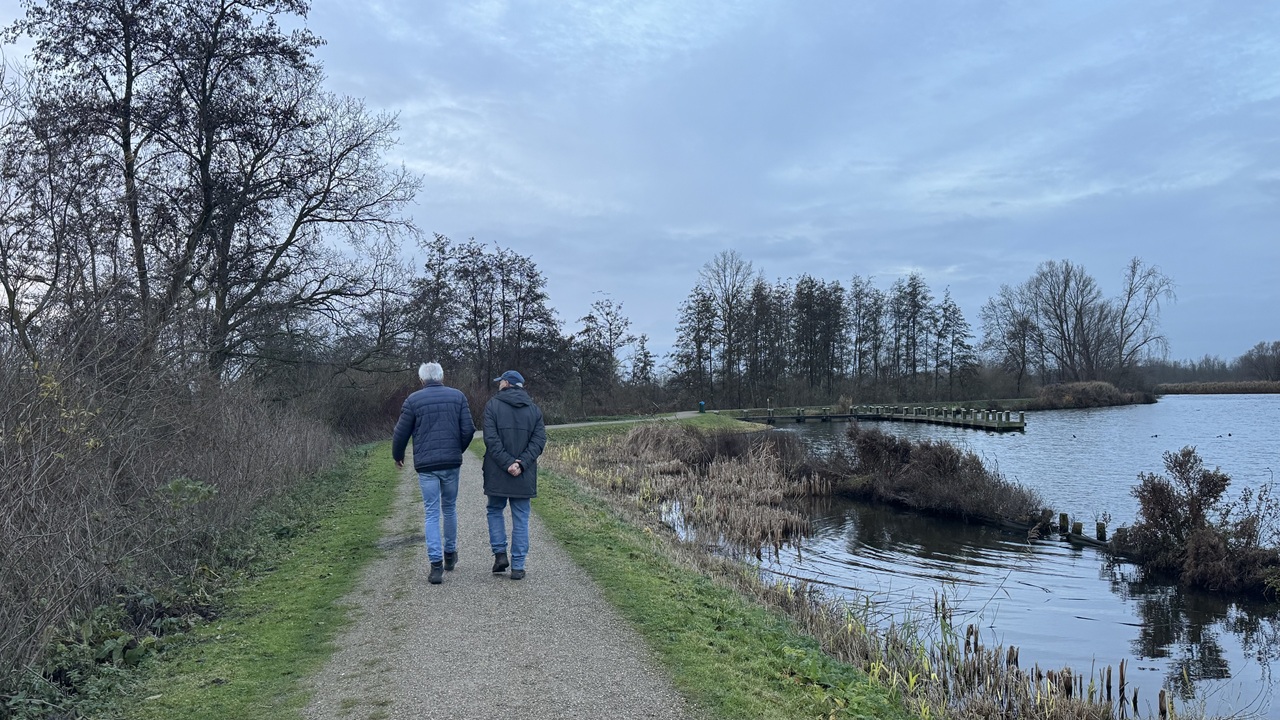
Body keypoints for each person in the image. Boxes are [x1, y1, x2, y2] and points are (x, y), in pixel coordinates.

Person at [392, 362, 475, 585]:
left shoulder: (413, 400)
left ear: (422, 380)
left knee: (431, 512)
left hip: (427, 466)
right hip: (451, 463)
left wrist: (398, 455)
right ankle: (450, 554)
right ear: (442, 377)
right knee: (449, 508)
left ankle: (436, 565)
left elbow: (400, 432)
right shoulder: (458, 396)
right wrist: (457, 450)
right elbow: (468, 429)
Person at [482, 369, 546, 580]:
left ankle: (500, 555)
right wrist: (521, 464)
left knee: (494, 510)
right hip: (523, 474)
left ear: (507, 383)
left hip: (497, 471)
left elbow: (491, 439)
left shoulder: (492, 406)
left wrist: (507, 463)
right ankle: (518, 566)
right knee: (521, 517)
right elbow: (538, 441)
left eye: (500, 381)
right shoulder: (534, 410)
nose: (498, 384)